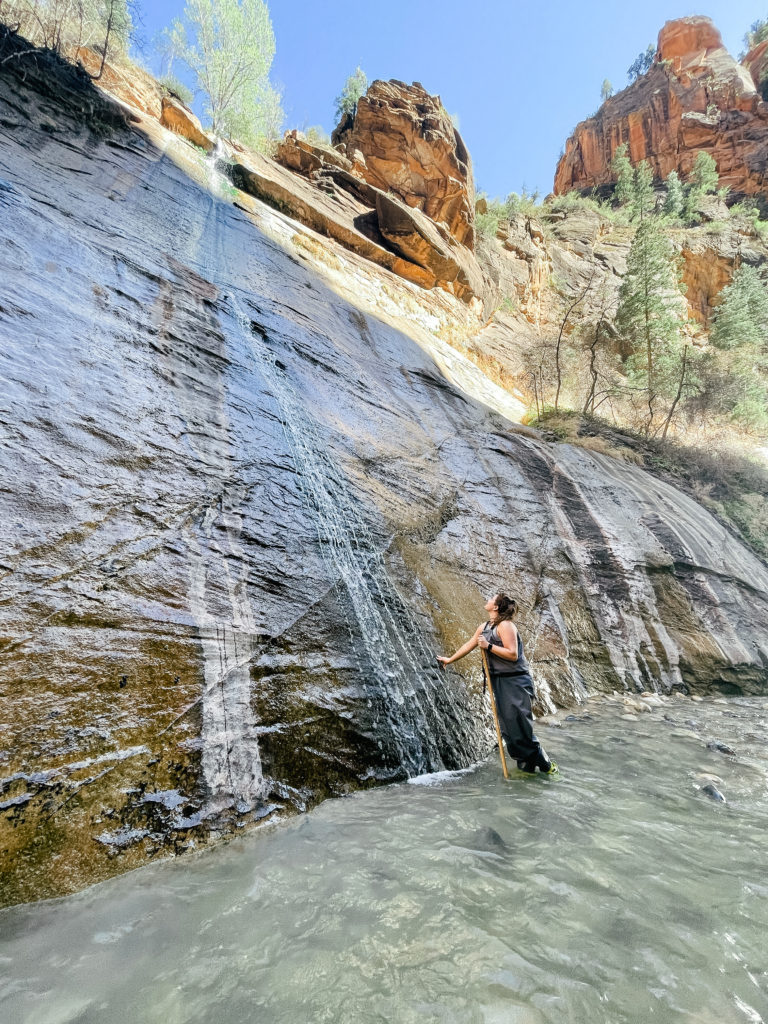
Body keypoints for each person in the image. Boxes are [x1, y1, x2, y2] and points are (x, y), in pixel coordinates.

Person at [437, 593, 558, 774]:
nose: (488, 599)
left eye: (491, 598)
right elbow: (469, 645)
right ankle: (526, 766)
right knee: (508, 728)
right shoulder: (484, 627)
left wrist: (489, 646)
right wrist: (450, 660)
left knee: (520, 725)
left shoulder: (506, 626)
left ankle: (547, 766)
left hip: (516, 681)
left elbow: (512, 654)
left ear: (495, 607)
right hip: (499, 681)